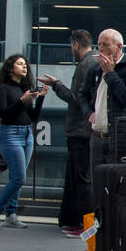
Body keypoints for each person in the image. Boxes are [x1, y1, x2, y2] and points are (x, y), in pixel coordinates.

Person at [38, 29, 98, 237]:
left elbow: (75, 97)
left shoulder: (86, 64)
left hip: (80, 130)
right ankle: (72, 221)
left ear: (75, 44)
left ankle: (83, 224)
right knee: (77, 177)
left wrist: (56, 85)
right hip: (86, 129)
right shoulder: (95, 61)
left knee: (80, 178)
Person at [0, 54, 47, 230]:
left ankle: (11, 213)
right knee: (19, 178)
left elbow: (33, 117)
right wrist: (22, 101)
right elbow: (5, 114)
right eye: (20, 64)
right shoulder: (1, 89)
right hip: (10, 134)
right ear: (10, 68)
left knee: (17, 178)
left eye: (25, 64)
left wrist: (41, 97)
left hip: (27, 134)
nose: (24, 67)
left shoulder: (24, 89)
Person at [79, 29, 126, 172]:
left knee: (118, 184)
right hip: (97, 136)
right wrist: (89, 113)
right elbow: (82, 94)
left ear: (119, 47)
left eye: (106, 44)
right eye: (99, 44)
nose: (101, 48)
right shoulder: (95, 68)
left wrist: (110, 73)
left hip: (120, 138)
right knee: (97, 183)